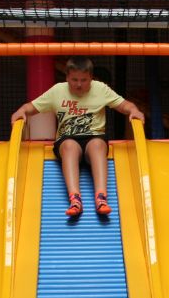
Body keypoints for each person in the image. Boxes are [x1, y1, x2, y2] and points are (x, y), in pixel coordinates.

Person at [12, 57, 145, 217]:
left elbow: (124, 105)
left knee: (97, 145)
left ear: (91, 78)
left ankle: (101, 197)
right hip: (67, 138)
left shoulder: (100, 89)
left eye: (84, 80)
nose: (79, 84)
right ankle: (75, 198)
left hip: (94, 137)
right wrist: (21, 111)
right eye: (74, 80)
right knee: (69, 146)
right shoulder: (58, 91)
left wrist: (134, 111)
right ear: (67, 77)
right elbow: (31, 107)